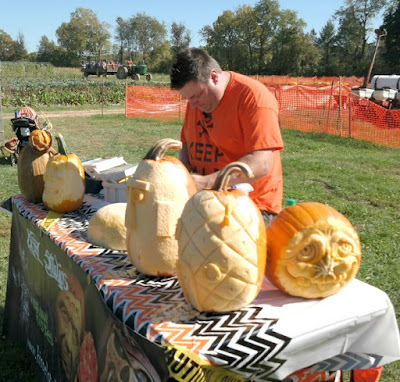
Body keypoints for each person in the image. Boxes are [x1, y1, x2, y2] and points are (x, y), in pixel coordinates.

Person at [170, 48, 284, 226]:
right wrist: (184, 174)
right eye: (187, 99)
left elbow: (261, 163)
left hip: (250, 206)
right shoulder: (196, 103)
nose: (192, 105)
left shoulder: (254, 99)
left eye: (196, 96)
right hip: (205, 200)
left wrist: (206, 182)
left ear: (214, 77)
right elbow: (186, 143)